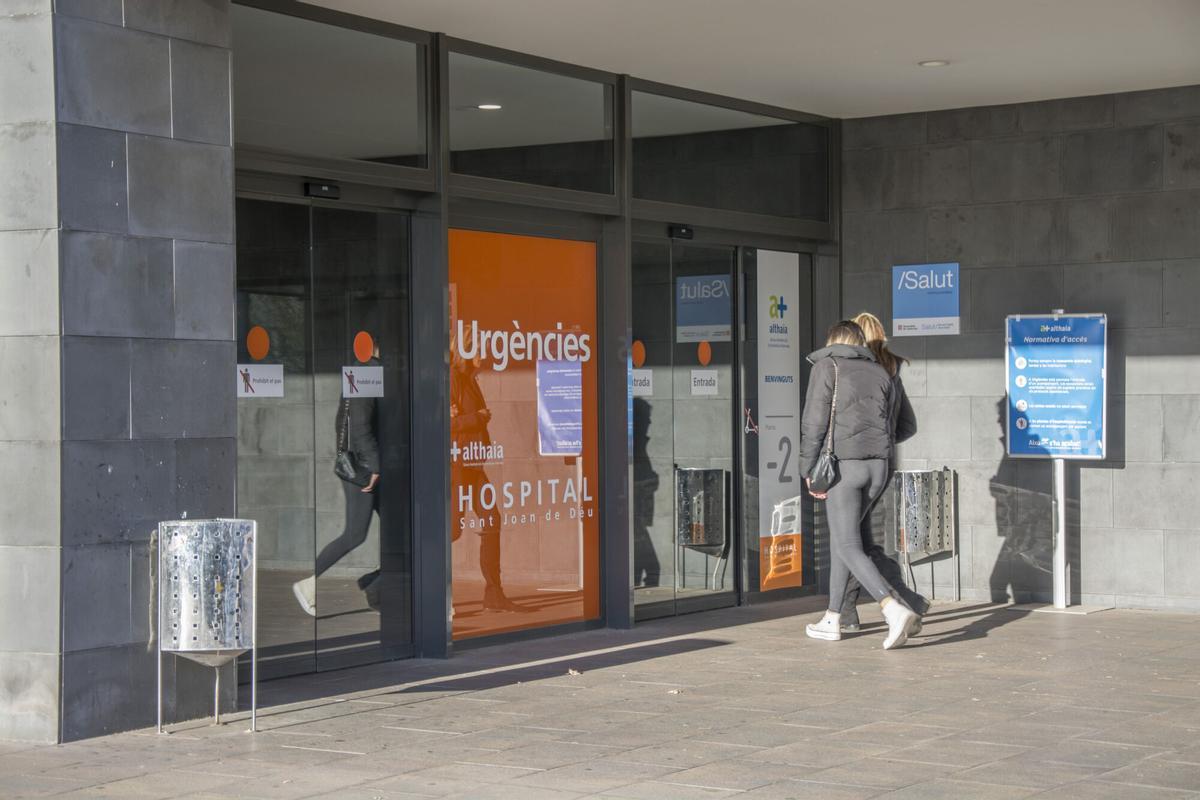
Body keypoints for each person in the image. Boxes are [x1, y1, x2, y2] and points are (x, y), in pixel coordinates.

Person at [799, 320, 920, 649]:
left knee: (848, 545)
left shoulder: (827, 366)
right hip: (878, 467)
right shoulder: (882, 371)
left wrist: (807, 468)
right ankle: (833, 617)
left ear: (833, 340)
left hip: (844, 468)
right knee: (845, 540)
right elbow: (896, 423)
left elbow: (813, 423)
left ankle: (892, 608)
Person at [838, 311, 925, 632]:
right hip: (883, 465)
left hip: (853, 465)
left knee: (849, 541)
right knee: (860, 540)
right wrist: (885, 444)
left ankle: (861, 609)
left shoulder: (854, 372)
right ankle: (852, 610)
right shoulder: (891, 371)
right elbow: (909, 425)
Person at [292, 345, 381, 617]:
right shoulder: (368, 371)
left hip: (372, 465)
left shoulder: (365, 370)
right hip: (366, 470)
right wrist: (374, 466)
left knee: (402, 535)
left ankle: (376, 589)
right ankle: (308, 583)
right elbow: (360, 426)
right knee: (355, 534)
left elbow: (343, 422)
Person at [451, 336, 529, 613]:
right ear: (465, 351)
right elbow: (444, 422)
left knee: (491, 519)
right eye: (479, 349)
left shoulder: (470, 380)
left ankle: (494, 594)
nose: (485, 355)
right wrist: (479, 417)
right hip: (457, 465)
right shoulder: (453, 380)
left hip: (474, 464)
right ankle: (409, 578)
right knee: (451, 529)